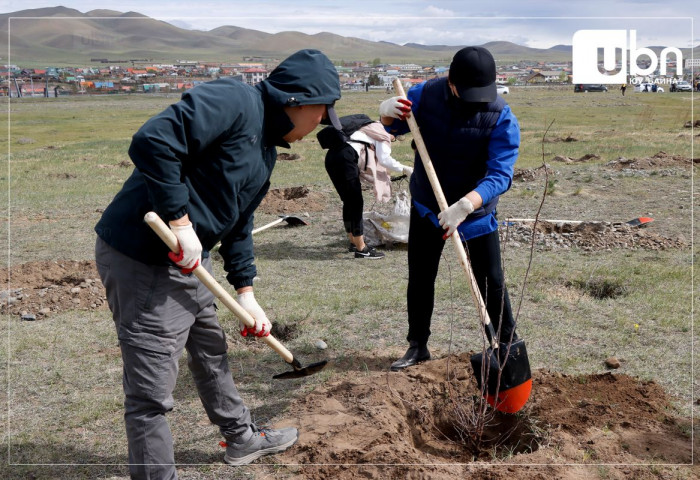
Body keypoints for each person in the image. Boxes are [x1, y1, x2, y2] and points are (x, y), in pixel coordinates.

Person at [94, 49, 341, 479]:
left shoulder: (266, 150)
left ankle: (241, 437)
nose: (322, 123)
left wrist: (247, 293)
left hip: (191, 260)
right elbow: (152, 141)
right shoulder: (234, 100)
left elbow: (239, 223)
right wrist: (180, 220)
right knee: (151, 393)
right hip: (145, 256)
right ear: (298, 101)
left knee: (210, 351)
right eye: (323, 112)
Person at [379, 46, 521, 371]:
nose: (476, 100)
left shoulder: (500, 115)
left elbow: (500, 174)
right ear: (451, 81)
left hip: (474, 212)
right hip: (428, 204)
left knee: (492, 283)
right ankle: (418, 346)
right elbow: (395, 127)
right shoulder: (425, 95)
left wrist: (467, 204)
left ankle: (506, 349)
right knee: (421, 277)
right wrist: (388, 113)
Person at [318, 114, 414, 259]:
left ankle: (354, 241)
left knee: (349, 202)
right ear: (395, 131)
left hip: (332, 158)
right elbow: (385, 160)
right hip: (346, 159)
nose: (394, 140)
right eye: (398, 136)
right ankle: (362, 249)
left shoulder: (368, 127)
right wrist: (405, 168)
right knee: (356, 203)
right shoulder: (382, 133)